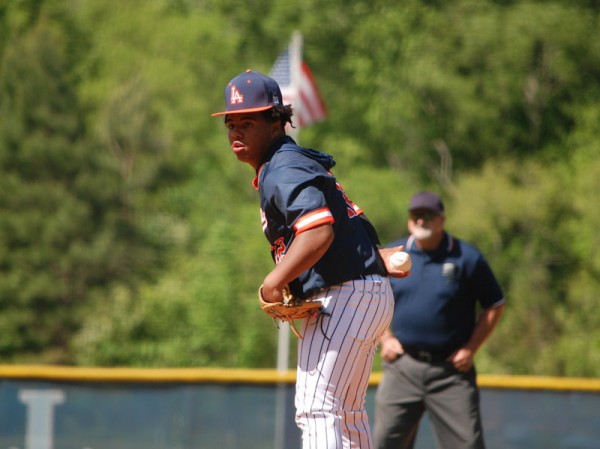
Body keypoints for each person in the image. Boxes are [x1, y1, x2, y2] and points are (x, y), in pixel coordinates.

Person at [212, 69, 408, 449]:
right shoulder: (289, 163)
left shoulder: (283, 165)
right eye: (231, 124)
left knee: (317, 408)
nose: (236, 132)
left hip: (347, 296)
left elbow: (318, 231)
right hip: (361, 293)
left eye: (248, 122)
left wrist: (273, 282)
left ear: (276, 122)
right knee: (345, 414)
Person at [374, 191, 506, 449]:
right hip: (403, 367)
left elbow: (495, 304)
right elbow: (369, 299)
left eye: (428, 215)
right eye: (416, 215)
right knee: (383, 443)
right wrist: (385, 337)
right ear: (410, 219)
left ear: (442, 219)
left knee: (467, 445)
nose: (421, 221)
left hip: (451, 372)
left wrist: (471, 349)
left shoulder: (466, 257)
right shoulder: (392, 256)